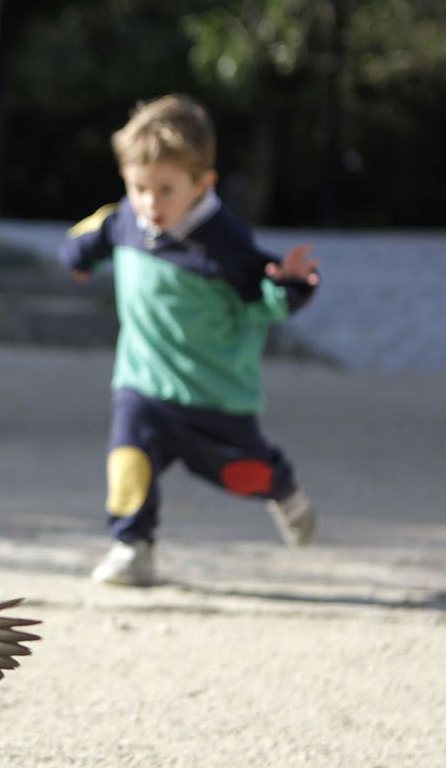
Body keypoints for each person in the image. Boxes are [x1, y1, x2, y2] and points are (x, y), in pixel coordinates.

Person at [58, 94, 321, 586]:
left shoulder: (226, 242)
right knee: (127, 463)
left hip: (215, 395)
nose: (150, 204)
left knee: (244, 474)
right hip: (142, 384)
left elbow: (268, 299)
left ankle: (283, 488)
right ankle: (132, 547)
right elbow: (82, 245)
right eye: (139, 188)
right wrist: (76, 261)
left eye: (165, 190)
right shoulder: (122, 221)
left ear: (203, 184)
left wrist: (290, 283)